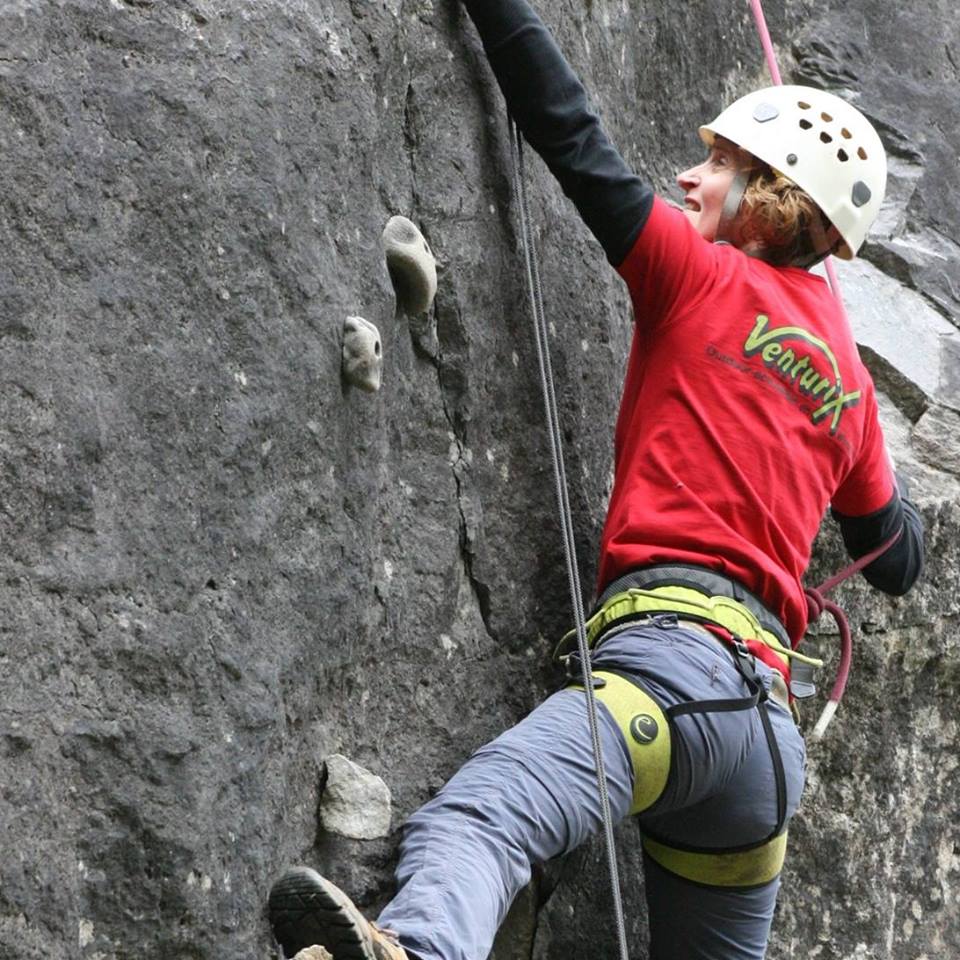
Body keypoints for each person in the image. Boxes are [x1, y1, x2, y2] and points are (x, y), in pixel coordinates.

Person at [267, 1, 925, 957]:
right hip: (764, 757)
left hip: (671, 675)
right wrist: (850, 428)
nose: (691, 175)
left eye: (721, 165)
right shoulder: (853, 389)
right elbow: (895, 557)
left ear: (773, 194)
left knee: (480, 820)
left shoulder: (694, 272)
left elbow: (568, 130)